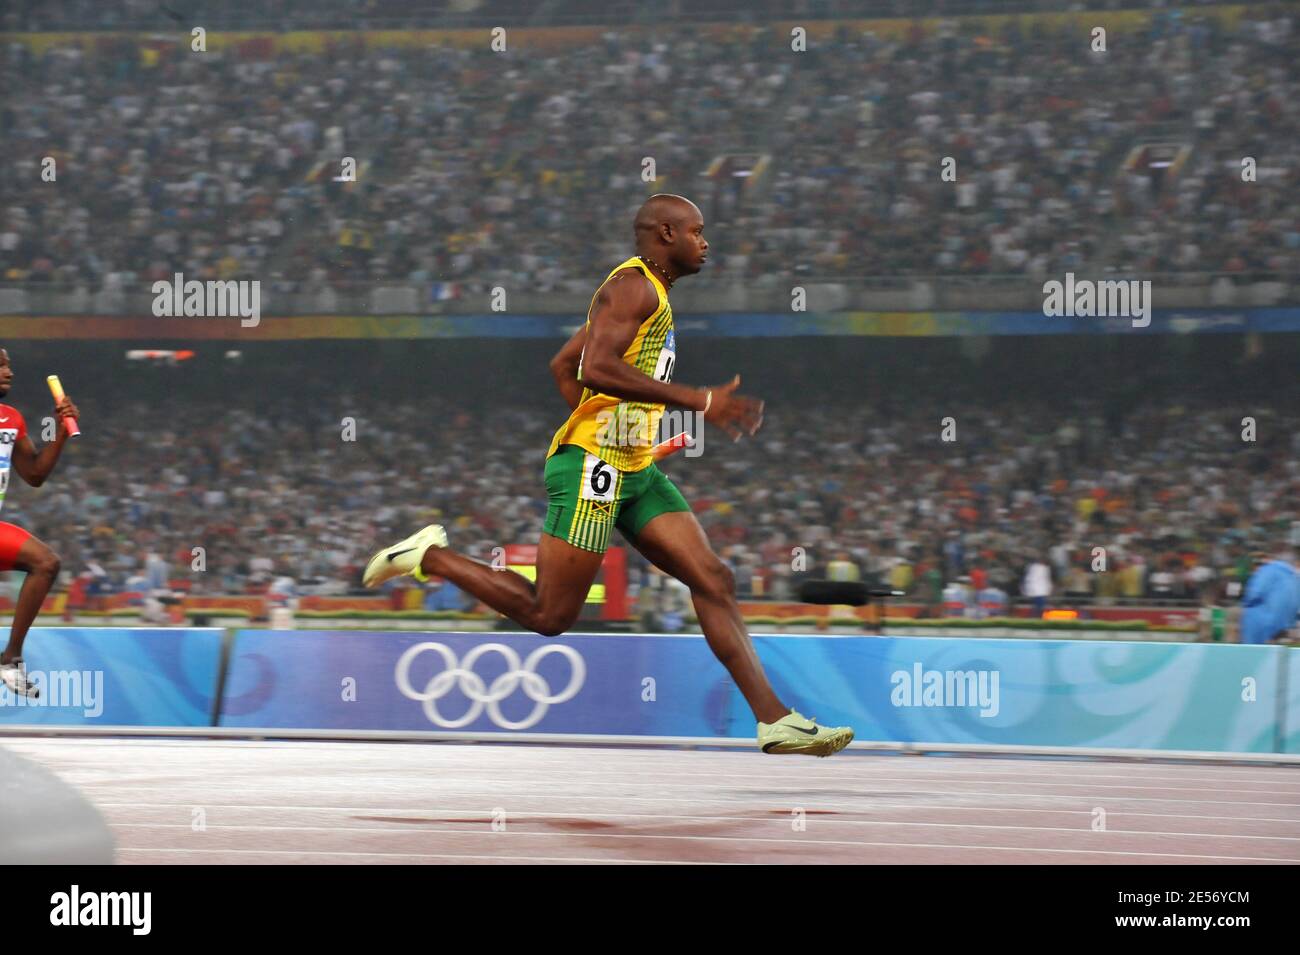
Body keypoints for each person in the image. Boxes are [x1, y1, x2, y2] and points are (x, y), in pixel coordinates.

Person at [364, 195, 853, 756]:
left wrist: (625, 433)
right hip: (593, 469)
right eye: (698, 232)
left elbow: (563, 365)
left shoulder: (653, 296)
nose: (706, 242)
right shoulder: (633, 287)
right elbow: (595, 368)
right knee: (551, 615)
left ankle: (775, 720)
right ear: (667, 233)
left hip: (633, 469)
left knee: (714, 579)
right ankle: (430, 556)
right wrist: (692, 401)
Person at [0, 347, 80, 697]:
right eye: (0, 364)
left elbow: (34, 474)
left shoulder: (11, 418)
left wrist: (61, 433)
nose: (9, 371)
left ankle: (10, 659)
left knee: (46, 563)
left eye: (9, 364)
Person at [1240, 549, 1300, 645]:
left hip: (1265, 624)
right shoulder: (1292, 575)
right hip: (1287, 624)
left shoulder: (1267, 570)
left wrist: (1244, 602)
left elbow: (1253, 594)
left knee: (1249, 612)